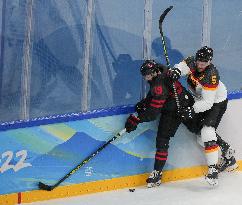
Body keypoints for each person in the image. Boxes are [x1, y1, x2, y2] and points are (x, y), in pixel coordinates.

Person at [169, 46, 238, 186]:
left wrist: (191, 110)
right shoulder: (193, 61)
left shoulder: (211, 75)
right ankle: (227, 153)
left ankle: (213, 171)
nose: (200, 64)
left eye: (204, 62)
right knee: (201, 138)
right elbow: (182, 67)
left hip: (216, 102)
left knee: (207, 131)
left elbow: (207, 103)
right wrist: (176, 71)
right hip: (200, 99)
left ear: (210, 61)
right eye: (199, 60)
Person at [124, 59, 195, 188]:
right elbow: (156, 93)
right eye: (145, 75)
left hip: (176, 109)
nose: (146, 78)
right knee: (198, 130)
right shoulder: (162, 70)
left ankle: (157, 173)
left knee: (163, 139)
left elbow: (152, 114)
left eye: (148, 75)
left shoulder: (159, 86)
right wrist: (145, 102)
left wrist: (136, 119)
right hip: (183, 102)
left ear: (154, 72)